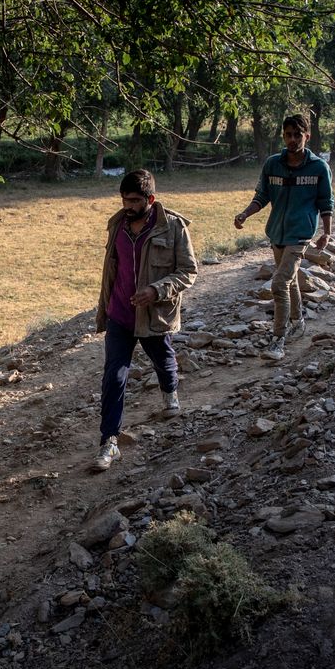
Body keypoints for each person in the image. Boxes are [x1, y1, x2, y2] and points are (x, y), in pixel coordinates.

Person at [93, 170, 197, 472]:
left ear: (150, 199)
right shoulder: (117, 225)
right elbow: (111, 270)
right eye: (124, 199)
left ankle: (170, 393)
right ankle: (109, 441)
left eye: (134, 200)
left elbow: (189, 271)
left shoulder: (173, 226)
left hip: (153, 314)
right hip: (119, 315)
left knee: (163, 360)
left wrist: (156, 290)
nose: (127, 205)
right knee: (114, 376)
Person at [233, 114, 333, 361]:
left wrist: (327, 232)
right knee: (289, 281)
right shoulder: (273, 164)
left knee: (278, 284)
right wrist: (245, 214)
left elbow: (325, 202)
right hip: (277, 231)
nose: (292, 139)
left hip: (300, 234)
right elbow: (262, 195)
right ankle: (298, 320)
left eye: (297, 134)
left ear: (306, 136)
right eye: (288, 134)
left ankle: (278, 338)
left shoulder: (319, 167)